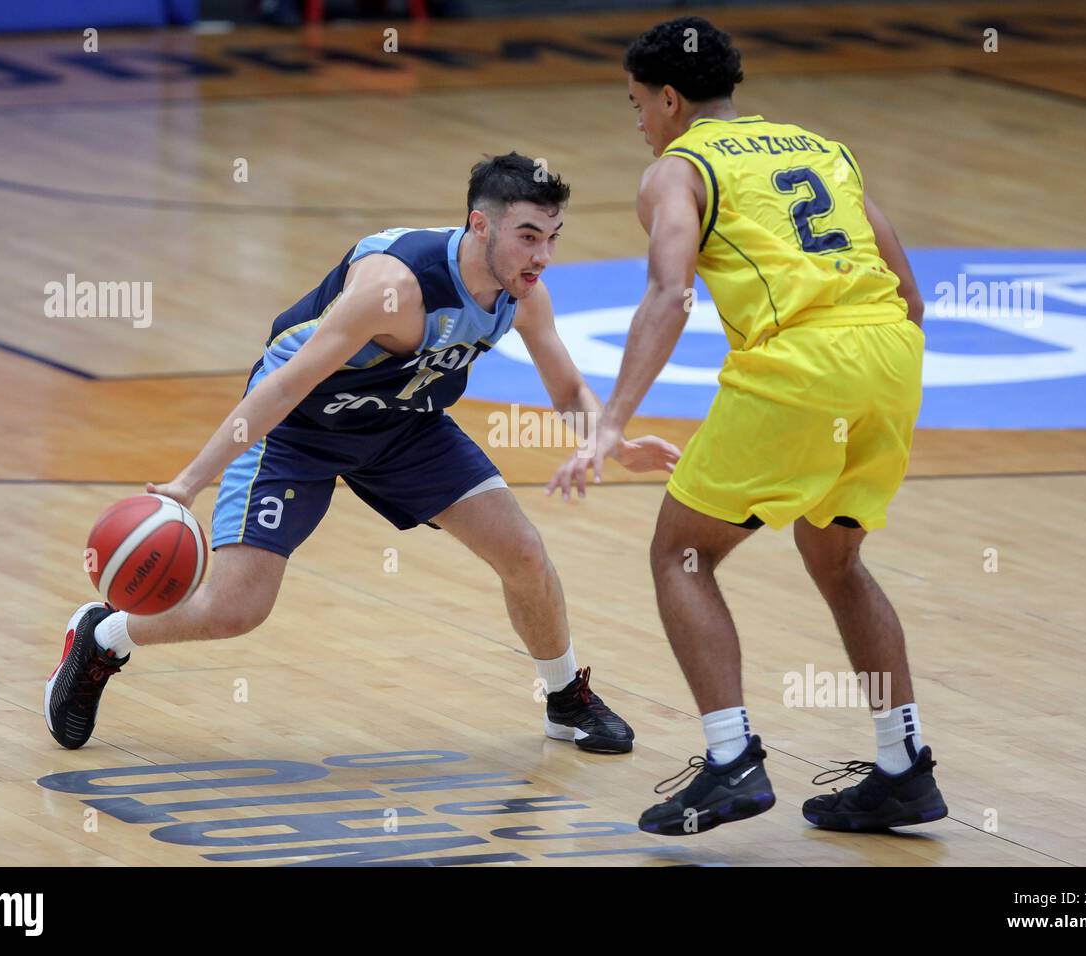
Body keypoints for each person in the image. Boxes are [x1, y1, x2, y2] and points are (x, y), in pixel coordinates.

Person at [46, 152, 679, 755]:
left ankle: (565, 697)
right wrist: (188, 484)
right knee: (236, 609)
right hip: (298, 427)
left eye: (553, 237)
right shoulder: (392, 287)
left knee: (523, 552)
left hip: (405, 425)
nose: (542, 256)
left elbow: (567, 387)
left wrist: (613, 442)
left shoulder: (523, 293)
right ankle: (105, 636)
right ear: (479, 224)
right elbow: (288, 383)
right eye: (528, 236)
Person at [549, 17, 946, 835]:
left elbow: (668, 293)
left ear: (669, 98)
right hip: (892, 356)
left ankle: (731, 761)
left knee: (680, 553)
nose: (637, 123)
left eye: (636, 105)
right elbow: (907, 289)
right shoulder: (820, 147)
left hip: (803, 368)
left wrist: (608, 424)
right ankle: (904, 766)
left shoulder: (677, 169)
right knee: (834, 555)